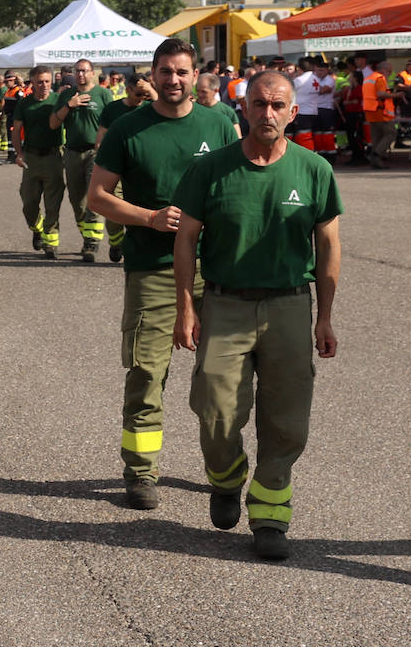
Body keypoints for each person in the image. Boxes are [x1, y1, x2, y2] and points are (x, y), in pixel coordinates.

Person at [172, 70, 342, 560]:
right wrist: (187, 306)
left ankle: (270, 514)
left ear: (293, 112)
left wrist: (324, 316)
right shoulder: (212, 169)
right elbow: (185, 239)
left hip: (289, 303)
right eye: (259, 104)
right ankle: (225, 479)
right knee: (215, 410)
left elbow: (328, 244)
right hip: (225, 304)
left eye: (277, 105)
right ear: (242, 109)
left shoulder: (314, 170)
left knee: (287, 420)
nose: (267, 113)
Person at [89, 39, 239, 510]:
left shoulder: (219, 125)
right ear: (151, 75)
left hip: (213, 272)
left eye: (181, 72)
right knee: (147, 373)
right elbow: (97, 196)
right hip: (151, 271)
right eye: (165, 71)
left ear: (195, 76)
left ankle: (224, 472)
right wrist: (149, 218)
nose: (173, 80)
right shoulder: (127, 128)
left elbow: (241, 185)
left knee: (219, 380)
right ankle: (140, 473)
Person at [52, 58, 115, 262]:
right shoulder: (67, 95)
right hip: (71, 153)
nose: (80, 74)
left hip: (96, 153)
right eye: (77, 71)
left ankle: (92, 244)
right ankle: (87, 235)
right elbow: (53, 123)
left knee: (92, 197)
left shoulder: (103, 94)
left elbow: (115, 123)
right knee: (76, 200)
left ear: (92, 73)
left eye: (84, 71)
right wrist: (69, 106)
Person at [94, 74, 153, 264]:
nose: (141, 98)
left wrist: (151, 91)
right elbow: (100, 137)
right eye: (138, 94)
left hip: (142, 168)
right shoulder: (113, 109)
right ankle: (116, 241)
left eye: (145, 94)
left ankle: (140, 246)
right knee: (114, 208)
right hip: (117, 167)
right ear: (127, 90)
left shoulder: (151, 107)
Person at [15, 66, 66, 259]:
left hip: (53, 156)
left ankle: (50, 244)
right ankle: (37, 228)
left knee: (53, 203)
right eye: (39, 82)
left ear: (51, 81)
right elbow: (16, 129)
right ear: (32, 83)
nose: (43, 85)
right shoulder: (25, 104)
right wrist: (19, 154)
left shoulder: (57, 101)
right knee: (29, 202)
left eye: (46, 81)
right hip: (31, 157)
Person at [196, 71, 241, 137]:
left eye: (204, 92)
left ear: (215, 91)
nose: (199, 95)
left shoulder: (227, 112)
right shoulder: (190, 109)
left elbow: (237, 138)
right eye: (197, 91)